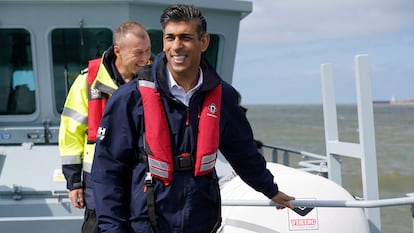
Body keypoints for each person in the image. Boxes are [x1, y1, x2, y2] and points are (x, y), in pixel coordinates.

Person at [91, 4, 294, 233]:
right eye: (170, 38)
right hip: (146, 222)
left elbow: (242, 151)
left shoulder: (223, 97)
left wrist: (270, 190)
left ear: (204, 42)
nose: (176, 46)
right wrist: (112, 229)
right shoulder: (130, 97)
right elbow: (107, 170)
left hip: (201, 220)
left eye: (185, 37)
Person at [58, 21, 151, 233]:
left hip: (141, 177)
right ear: (117, 50)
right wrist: (74, 183)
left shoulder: (155, 79)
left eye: (148, 50)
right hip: (97, 179)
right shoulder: (87, 82)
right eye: (138, 52)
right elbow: (70, 133)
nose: (145, 58)